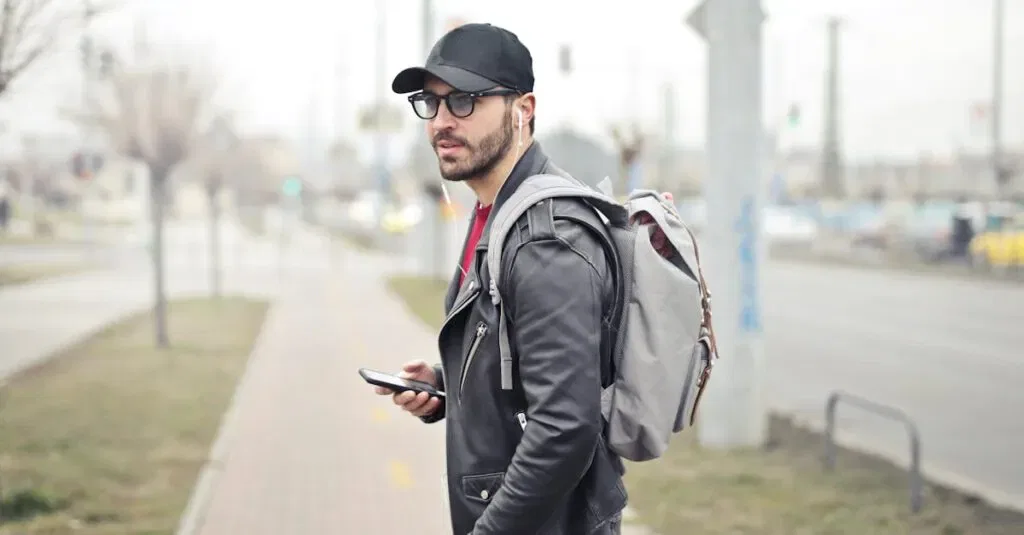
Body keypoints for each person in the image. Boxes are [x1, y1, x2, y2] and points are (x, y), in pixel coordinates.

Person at [373, 23, 628, 534]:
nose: (442, 121)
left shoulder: (544, 240)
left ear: (523, 109)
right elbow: (529, 374)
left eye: (465, 101)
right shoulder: (497, 210)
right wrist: (447, 389)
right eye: (432, 102)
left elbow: (564, 428)